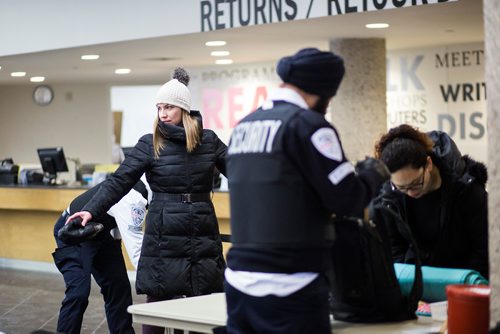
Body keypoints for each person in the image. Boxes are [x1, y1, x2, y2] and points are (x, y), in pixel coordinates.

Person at [223, 47, 390, 334]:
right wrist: (373, 174)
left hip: (238, 286)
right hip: (291, 286)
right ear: (324, 92)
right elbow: (348, 199)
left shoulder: (242, 127)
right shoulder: (308, 126)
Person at [66, 67, 228, 334]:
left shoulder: (208, 141)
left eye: (169, 107)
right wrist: (90, 211)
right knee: (157, 301)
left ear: (185, 110)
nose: (163, 113)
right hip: (163, 232)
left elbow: (241, 173)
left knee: (203, 302)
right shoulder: (150, 143)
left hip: (201, 230)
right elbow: (118, 181)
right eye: (159, 107)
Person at [374, 124, 489, 278]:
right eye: (402, 187)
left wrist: (462, 286)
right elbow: (395, 250)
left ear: (428, 164)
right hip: (418, 287)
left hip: (466, 283)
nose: (410, 192)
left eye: (416, 183)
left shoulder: (468, 192)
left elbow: (483, 249)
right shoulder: (390, 199)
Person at [52, 177, 149, 334]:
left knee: (119, 287)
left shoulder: (144, 187)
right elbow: (138, 254)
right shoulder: (134, 198)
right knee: (78, 292)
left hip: (102, 232)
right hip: (72, 231)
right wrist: (158, 287)